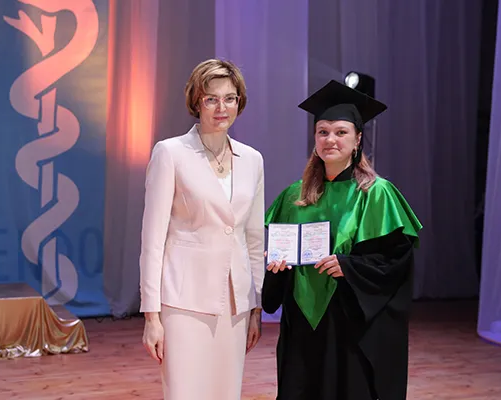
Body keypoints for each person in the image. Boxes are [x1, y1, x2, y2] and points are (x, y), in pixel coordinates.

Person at [262, 80, 423, 400]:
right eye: (322, 132)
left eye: (340, 132)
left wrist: (349, 266)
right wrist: (276, 267)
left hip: (350, 319)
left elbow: (397, 261)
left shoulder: (376, 194)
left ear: (357, 139)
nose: (330, 139)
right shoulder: (295, 196)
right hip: (302, 316)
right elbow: (280, 256)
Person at [139, 59, 265, 400]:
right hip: (184, 301)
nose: (222, 108)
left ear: (239, 102)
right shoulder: (171, 153)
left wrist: (256, 307)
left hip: (236, 302)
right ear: (197, 102)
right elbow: (152, 241)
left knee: (227, 393)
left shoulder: (252, 159)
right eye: (211, 99)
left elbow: (253, 237)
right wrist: (152, 316)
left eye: (230, 98)